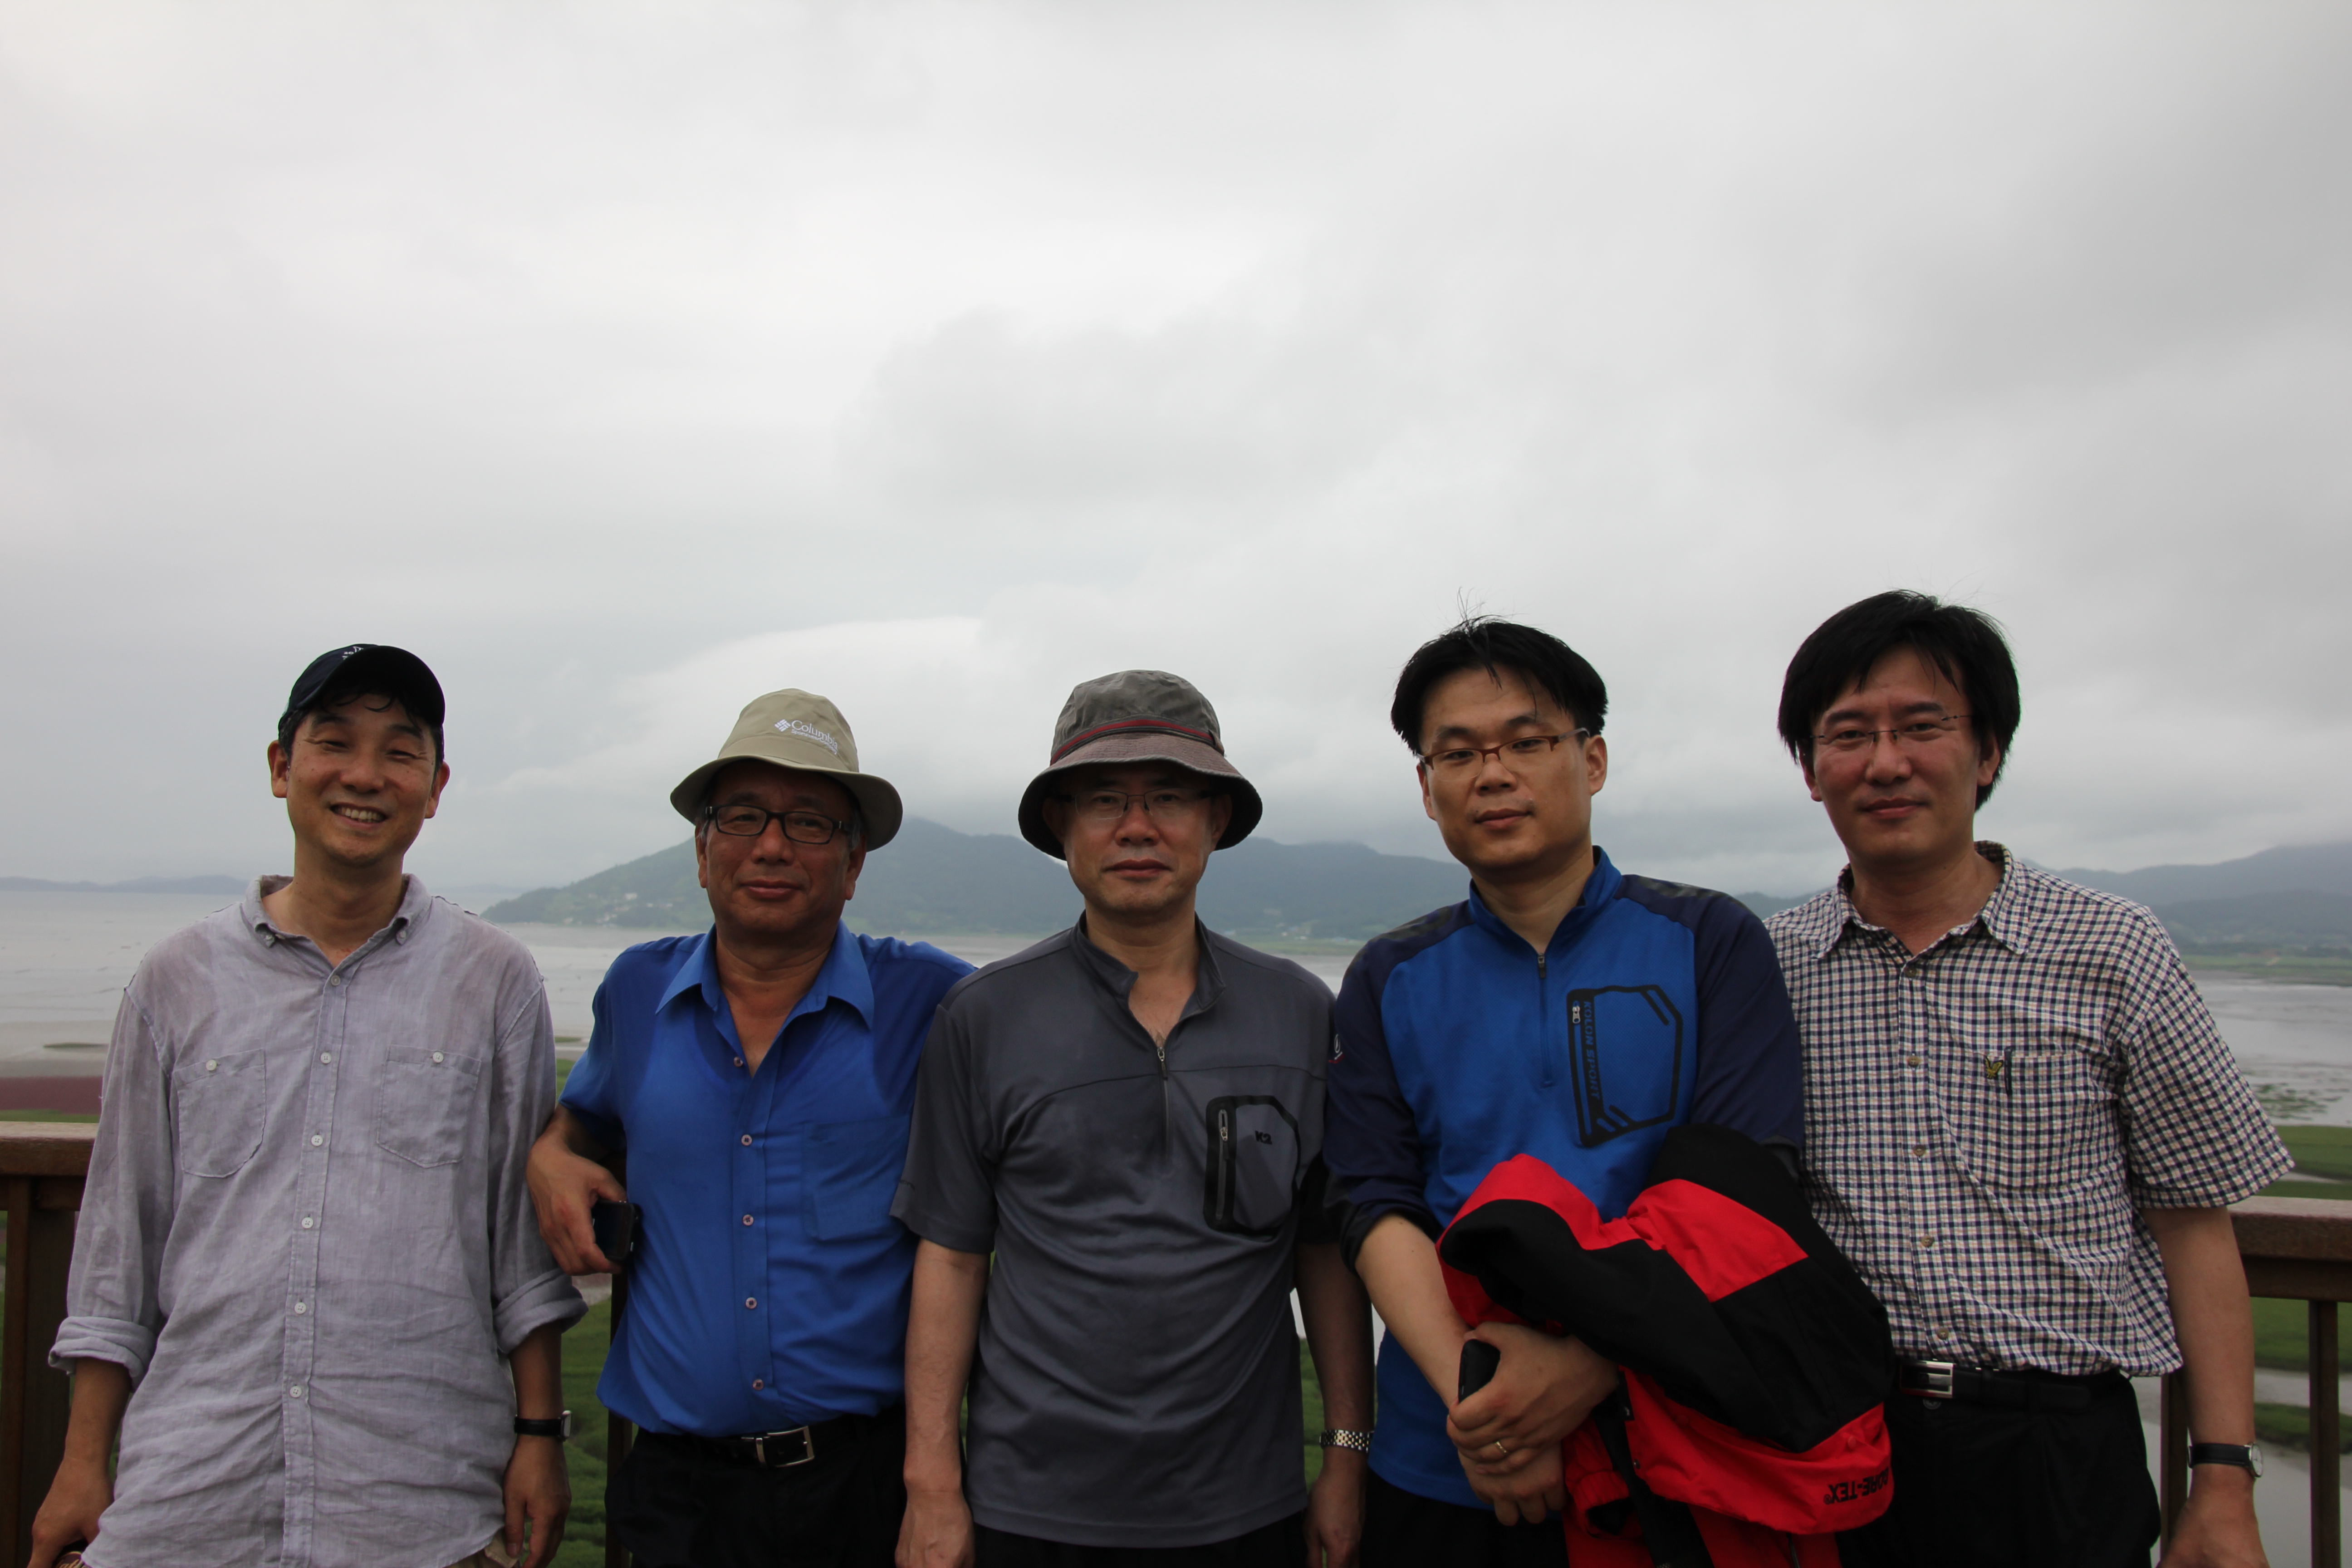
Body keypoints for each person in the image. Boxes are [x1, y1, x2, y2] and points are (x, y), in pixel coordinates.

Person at [32, 644, 583, 1568]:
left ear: (436, 787)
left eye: (400, 751)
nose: (365, 775)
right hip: (191, 1493)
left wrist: (539, 1436)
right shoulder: (176, 979)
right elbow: (120, 1246)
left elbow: (517, 1250)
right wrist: (84, 1462)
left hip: (420, 1499)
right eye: (334, 743)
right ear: (281, 766)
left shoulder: (494, 981)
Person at [1765, 590, 2286, 1568]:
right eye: (1849, 735)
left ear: (1988, 753)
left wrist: (2222, 1476)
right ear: (1810, 768)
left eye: (1923, 727)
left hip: (2058, 1450)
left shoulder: (2111, 948)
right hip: (1838, 1437)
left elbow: (2194, 1224)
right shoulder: (1772, 967)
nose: (1886, 762)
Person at [1321, 617, 1807, 1568]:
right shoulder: (1388, 976)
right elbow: (1374, 1202)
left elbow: (1746, 1185)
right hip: (1446, 1453)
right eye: (1458, 753)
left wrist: (1585, 1371)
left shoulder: (1710, 940)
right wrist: (1485, 1404)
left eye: (1527, 742)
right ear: (1426, 788)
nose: (1493, 774)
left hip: (1670, 1448)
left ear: (1592, 760)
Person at [892, 670, 1376, 1568]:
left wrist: (1346, 1455)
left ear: (1216, 820)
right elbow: (953, 1257)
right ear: (1062, 827)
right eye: (1105, 800)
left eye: (1171, 798)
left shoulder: (1299, 1012)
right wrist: (932, 1483)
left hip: (1248, 1503)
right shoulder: (984, 1016)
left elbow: (1322, 1250)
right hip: (1031, 1505)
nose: (1138, 827)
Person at [528, 690, 972, 1568]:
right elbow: (581, 1123)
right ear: (702, 851)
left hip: (867, 1485)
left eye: (809, 822)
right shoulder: (636, 992)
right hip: (676, 1494)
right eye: (742, 817)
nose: (771, 846)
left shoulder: (932, 1001)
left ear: (853, 863)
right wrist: (549, 1157)